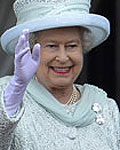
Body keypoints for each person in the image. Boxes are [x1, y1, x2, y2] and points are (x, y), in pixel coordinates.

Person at [0, 0, 119, 149]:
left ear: (83, 48)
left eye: (71, 46)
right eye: (52, 46)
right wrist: (17, 89)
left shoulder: (107, 107)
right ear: (29, 50)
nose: (63, 58)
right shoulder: (8, 97)